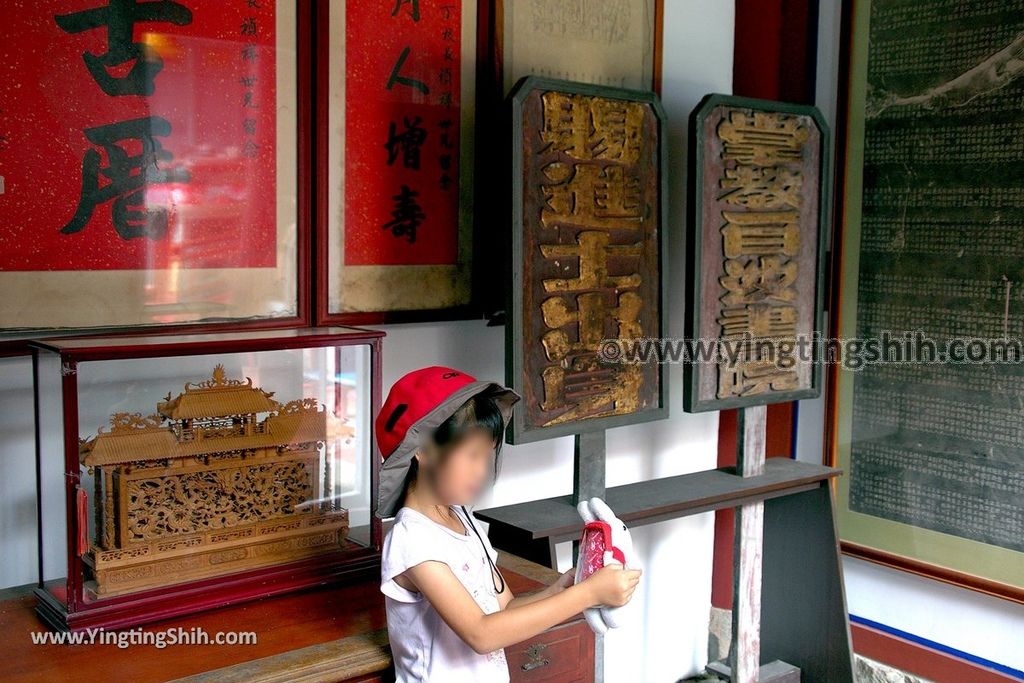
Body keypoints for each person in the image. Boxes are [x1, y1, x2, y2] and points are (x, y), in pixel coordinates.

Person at [376, 366, 642, 683]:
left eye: (487, 456)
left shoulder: (460, 518)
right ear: (424, 450)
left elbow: (505, 608)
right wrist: (586, 595)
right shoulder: (412, 540)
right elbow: (480, 634)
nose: (482, 470)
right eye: (472, 455)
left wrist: (563, 588)